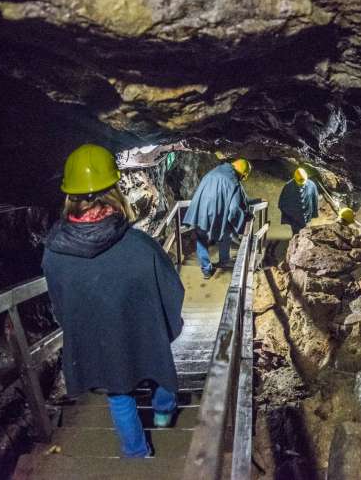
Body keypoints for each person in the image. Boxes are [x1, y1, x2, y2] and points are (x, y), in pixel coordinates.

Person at [42, 144, 185, 458]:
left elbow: (60, 304)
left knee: (120, 395)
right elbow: (172, 291)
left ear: (69, 196)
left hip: (102, 341)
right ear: (115, 192)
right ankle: (163, 414)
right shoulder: (139, 245)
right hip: (142, 330)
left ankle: (136, 455)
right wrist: (164, 324)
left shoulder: (53, 253)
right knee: (158, 366)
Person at [183, 158, 251, 279]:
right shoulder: (234, 182)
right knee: (226, 234)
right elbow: (234, 209)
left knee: (201, 238)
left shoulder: (213, 172)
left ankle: (206, 269)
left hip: (201, 212)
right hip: (218, 214)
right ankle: (224, 261)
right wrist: (243, 218)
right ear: (242, 173)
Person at [277, 167, 319, 235]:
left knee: (305, 232)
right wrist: (290, 215)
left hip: (307, 215)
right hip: (294, 218)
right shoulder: (288, 186)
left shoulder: (312, 185)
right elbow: (281, 204)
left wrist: (314, 213)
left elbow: (315, 200)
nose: (301, 184)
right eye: (299, 183)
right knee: (295, 233)